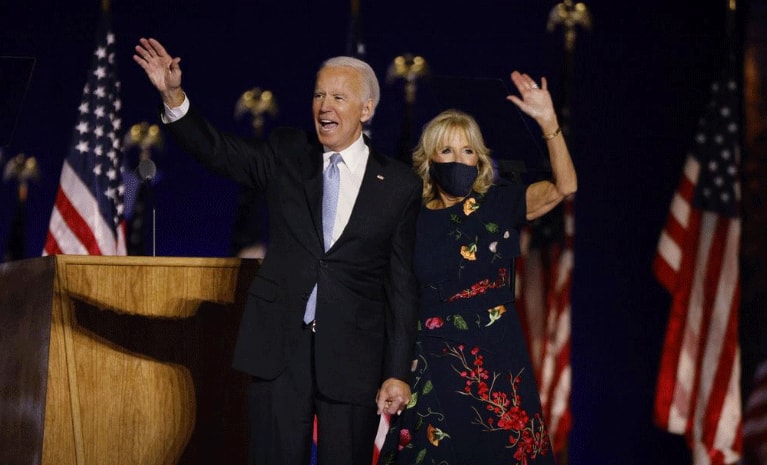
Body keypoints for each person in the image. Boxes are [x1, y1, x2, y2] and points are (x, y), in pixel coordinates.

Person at [133, 38, 421, 465]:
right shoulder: (288, 152)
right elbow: (219, 152)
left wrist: (397, 371)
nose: (325, 106)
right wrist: (173, 97)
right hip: (280, 348)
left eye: (339, 97)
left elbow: (401, 286)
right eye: (319, 95)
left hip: (354, 357)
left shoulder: (399, 184)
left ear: (366, 110)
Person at [379, 71, 576, 465]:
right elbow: (399, 297)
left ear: (480, 159)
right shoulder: (408, 218)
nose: (458, 160)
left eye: (468, 151)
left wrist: (549, 123)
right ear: (429, 159)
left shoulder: (497, 205)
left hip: (495, 363)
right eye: (447, 151)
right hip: (432, 361)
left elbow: (564, 187)